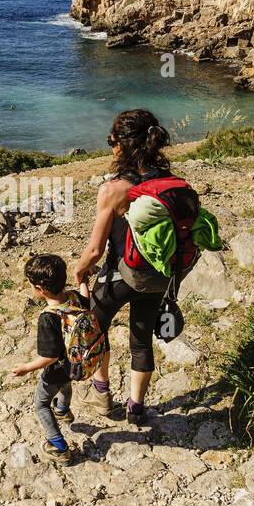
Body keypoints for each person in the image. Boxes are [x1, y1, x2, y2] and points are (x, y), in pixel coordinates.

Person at [72, 109, 185, 427]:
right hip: (158, 276)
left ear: (122, 145)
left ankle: (102, 392)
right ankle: (136, 408)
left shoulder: (114, 189)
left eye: (111, 141)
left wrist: (79, 273)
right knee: (140, 342)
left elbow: (95, 250)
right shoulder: (170, 183)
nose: (110, 147)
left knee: (95, 329)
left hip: (119, 276)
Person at [10, 254, 92, 464]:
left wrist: (26, 368)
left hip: (56, 370)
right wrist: (83, 281)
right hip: (76, 363)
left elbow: (49, 356)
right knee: (65, 387)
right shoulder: (73, 298)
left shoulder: (48, 317)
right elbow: (86, 299)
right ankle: (63, 410)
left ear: (40, 289)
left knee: (42, 404)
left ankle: (58, 446)